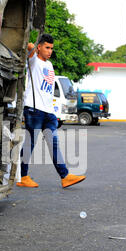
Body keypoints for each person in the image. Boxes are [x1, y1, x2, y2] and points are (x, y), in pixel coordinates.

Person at [17, 34, 86, 188]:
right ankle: (23, 177)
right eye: (47, 47)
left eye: (51, 48)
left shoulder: (49, 65)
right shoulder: (33, 62)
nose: (49, 51)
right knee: (30, 144)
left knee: (54, 144)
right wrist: (33, 48)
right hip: (34, 110)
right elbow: (28, 47)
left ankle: (65, 176)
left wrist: (53, 112)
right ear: (40, 47)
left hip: (48, 113)